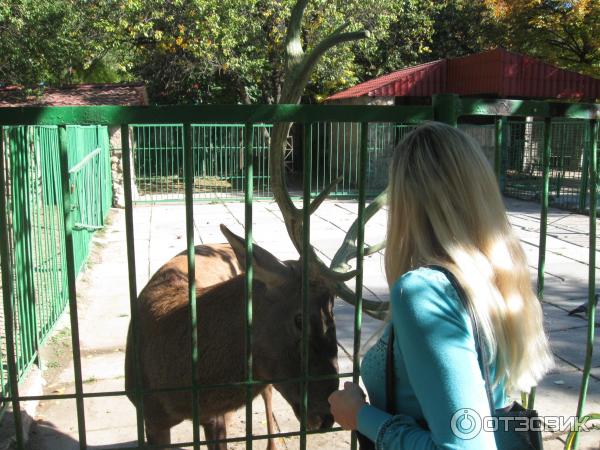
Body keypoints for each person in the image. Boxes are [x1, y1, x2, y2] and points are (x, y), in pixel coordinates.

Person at [328, 122, 553, 449]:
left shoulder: (424, 292)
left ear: (406, 200)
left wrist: (360, 416)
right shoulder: (495, 277)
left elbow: (466, 446)